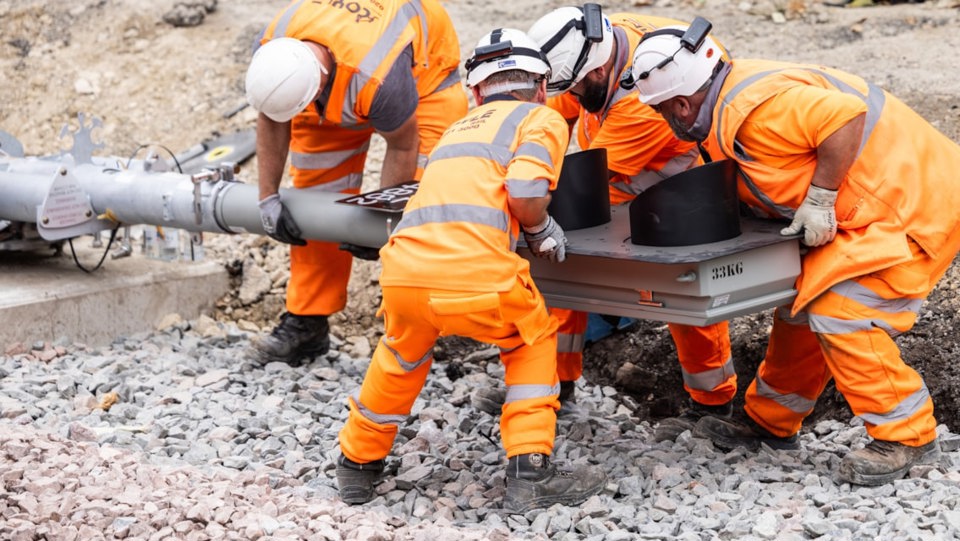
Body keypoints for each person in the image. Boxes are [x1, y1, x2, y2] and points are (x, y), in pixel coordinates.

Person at [629, 19, 960, 485]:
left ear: (682, 103)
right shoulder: (728, 99)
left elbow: (844, 116)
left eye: (663, 110)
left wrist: (821, 198)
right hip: (874, 206)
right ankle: (770, 422)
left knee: (843, 311)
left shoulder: (755, 107)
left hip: (910, 205)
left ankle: (907, 436)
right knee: (802, 306)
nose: (666, 121)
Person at [335, 28, 607, 513]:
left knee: (402, 354)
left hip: (404, 272)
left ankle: (357, 466)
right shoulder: (541, 118)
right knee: (531, 339)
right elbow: (525, 189)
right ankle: (530, 472)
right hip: (476, 275)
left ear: (476, 92)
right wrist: (541, 229)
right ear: (543, 86)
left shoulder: (459, 129)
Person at [476, 4, 737, 439]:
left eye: (576, 90)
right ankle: (552, 383)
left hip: (682, 180)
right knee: (557, 259)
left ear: (595, 73)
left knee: (683, 286)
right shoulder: (591, 40)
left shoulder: (638, 102)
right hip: (615, 166)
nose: (573, 98)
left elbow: (582, 174)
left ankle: (713, 402)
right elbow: (551, 112)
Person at [243, 0, 468, 365]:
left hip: (422, 81)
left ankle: (435, 325)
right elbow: (271, 119)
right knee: (316, 198)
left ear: (317, 86)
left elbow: (402, 143)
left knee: (426, 196)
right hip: (343, 72)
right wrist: (267, 196)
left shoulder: (380, 79)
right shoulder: (273, 52)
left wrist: (384, 220)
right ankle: (308, 322)